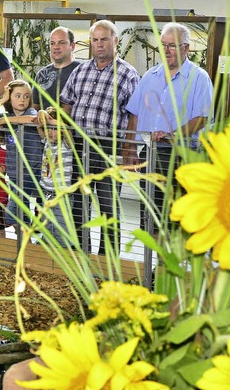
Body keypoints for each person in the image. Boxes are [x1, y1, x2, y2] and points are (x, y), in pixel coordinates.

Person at [59, 19, 140, 256]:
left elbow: (134, 115)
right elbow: (67, 103)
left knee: (107, 205)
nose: (99, 44)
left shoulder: (128, 73)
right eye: (95, 40)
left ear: (115, 41)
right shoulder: (81, 70)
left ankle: (108, 258)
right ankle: (80, 253)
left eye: (104, 39)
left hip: (108, 147)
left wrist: (129, 149)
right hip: (79, 146)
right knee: (78, 203)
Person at [123, 22, 213, 230]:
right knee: (150, 216)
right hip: (150, 153)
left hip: (181, 155)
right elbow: (134, 113)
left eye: (172, 46)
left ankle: (170, 261)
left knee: (175, 217)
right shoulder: (149, 77)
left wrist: (170, 135)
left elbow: (201, 118)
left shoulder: (199, 79)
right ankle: (153, 262)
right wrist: (129, 147)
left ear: (186, 48)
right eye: (163, 45)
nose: (166, 51)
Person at [0, 79, 42, 227]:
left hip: (29, 170)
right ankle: (24, 235)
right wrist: (3, 99)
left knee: (14, 206)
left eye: (26, 96)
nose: (22, 99)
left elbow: (32, 119)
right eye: (17, 96)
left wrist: (7, 120)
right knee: (22, 206)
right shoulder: (6, 115)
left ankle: (8, 221)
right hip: (14, 170)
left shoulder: (29, 112)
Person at [36, 107, 75, 246]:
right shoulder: (46, 141)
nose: (52, 133)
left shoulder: (66, 144)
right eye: (49, 129)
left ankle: (65, 255)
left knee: (61, 230)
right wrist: (42, 113)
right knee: (47, 227)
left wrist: (55, 121)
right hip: (47, 194)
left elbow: (66, 129)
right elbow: (38, 123)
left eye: (55, 128)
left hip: (61, 196)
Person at [32, 26, 81, 110]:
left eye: (61, 43)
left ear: (72, 46)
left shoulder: (82, 71)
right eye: (52, 43)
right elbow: (34, 107)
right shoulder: (42, 74)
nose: (56, 47)